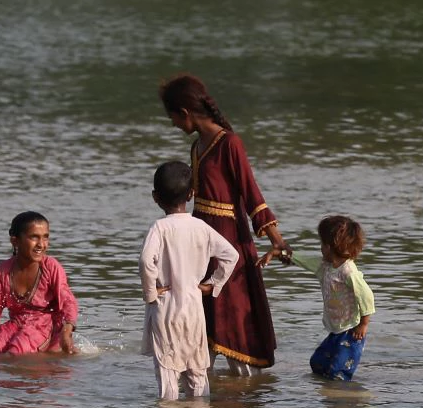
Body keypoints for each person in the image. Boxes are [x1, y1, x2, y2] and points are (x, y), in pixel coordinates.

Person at [158, 74, 289, 373]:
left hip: (230, 243)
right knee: (204, 318)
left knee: (232, 316)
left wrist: (276, 240)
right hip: (201, 242)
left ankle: (243, 391)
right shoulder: (197, 148)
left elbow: (251, 192)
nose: (174, 124)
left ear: (185, 113)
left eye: (173, 118)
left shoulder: (229, 143)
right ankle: (205, 389)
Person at [139, 162, 240, 399]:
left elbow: (145, 262)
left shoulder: (159, 228)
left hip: (166, 309)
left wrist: (151, 293)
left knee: (168, 373)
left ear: (155, 197)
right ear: (192, 194)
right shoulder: (200, 227)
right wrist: (212, 285)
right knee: (197, 372)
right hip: (193, 308)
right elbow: (231, 255)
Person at [0, 211, 79, 360]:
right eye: (34, 237)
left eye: (45, 237)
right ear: (15, 241)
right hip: (15, 324)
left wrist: (66, 332)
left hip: (45, 328)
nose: (41, 245)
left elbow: (68, 302)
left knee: (15, 354)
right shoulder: (1, 272)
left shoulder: (52, 268)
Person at [290, 215, 375, 382]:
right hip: (336, 330)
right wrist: (287, 255)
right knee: (318, 363)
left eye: (321, 244)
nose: (320, 248)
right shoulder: (326, 267)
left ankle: (341, 402)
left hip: (352, 332)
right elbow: (306, 261)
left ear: (328, 247)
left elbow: (367, 295)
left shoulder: (348, 272)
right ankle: (325, 396)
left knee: (338, 373)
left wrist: (364, 324)